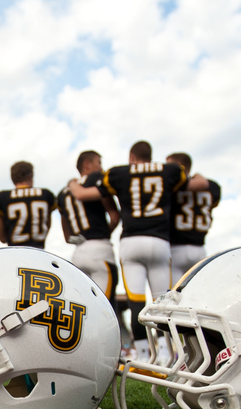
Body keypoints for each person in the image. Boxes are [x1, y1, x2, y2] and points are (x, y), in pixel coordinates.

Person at [68, 140, 209, 360]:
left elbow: (85, 195)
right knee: (163, 301)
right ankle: (165, 352)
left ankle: (143, 355)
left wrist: (73, 183)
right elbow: (199, 184)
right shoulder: (169, 171)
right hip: (160, 241)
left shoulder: (118, 173)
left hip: (131, 242)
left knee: (136, 302)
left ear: (132, 157)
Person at [58, 150, 120, 301]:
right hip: (100, 250)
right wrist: (104, 232)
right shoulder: (96, 179)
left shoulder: (63, 193)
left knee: (83, 305)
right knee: (106, 307)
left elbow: (67, 237)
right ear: (87, 164)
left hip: (78, 254)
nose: (101, 167)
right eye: (99, 162)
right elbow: (115, 217)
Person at [166, 152, 220, 287]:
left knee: (173, 299)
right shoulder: (211, 187)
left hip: (175, 250)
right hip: (200, 251)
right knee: (197, 296)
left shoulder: (171, 185)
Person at [0, 161, 56, 249]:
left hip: (15, 253)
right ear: (31, 176)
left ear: (13, 178)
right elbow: (47, 225)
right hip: (39, 252)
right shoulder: (46, 195)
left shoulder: (1, 197)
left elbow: (1, 236)